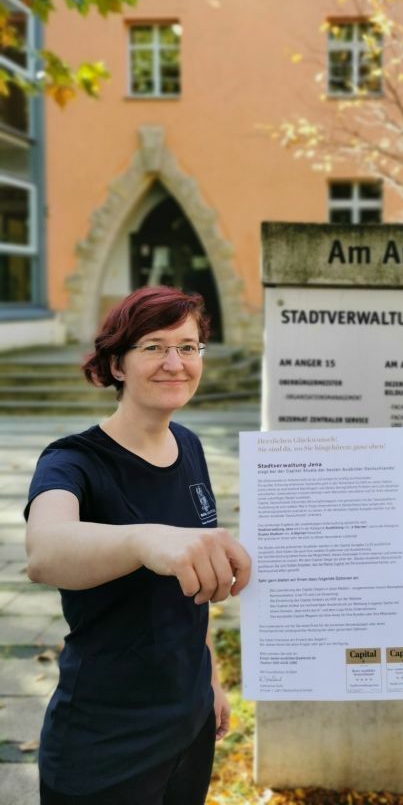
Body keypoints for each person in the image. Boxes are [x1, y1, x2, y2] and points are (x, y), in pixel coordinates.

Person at [24, 286, 251, 805]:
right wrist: (148, 540)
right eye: (153, 346)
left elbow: (191, 596)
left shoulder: (189, 445)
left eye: (189, 347)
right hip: (104, 739)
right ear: (117, 365)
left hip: (188, 720)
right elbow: (44, 550)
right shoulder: (72, 461)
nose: (175, 362)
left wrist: (210, 677)